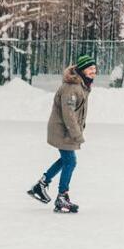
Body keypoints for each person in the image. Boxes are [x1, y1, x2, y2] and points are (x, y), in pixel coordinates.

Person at [26, 54, 96, 213]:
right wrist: (77, 134)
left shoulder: (81, 85)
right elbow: (68, 114)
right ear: (82, 70)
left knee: (66, 160)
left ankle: (41, 185)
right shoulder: (72, 88)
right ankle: (61, 197)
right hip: (63, 130)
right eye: (90, 68)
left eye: (94, 68)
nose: (94, 71)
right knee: (70, 161)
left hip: (66, 130)